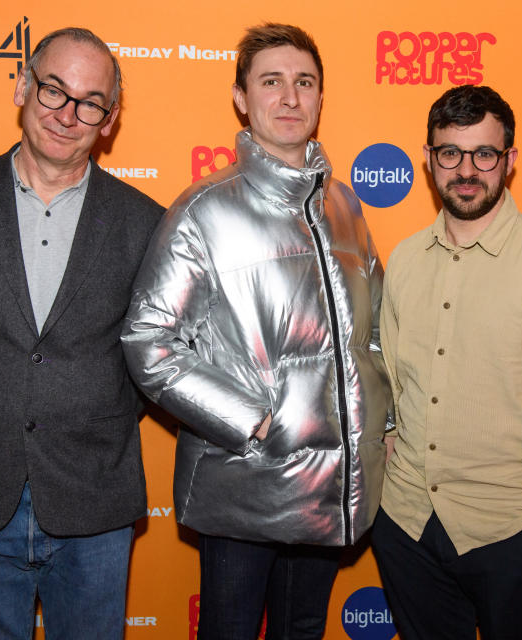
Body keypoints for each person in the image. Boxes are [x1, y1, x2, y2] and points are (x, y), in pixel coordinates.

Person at [120, 23, 391, 640]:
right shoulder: (203, 211)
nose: (290, 98)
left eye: (305, 83)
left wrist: (385, 422)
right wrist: (250, 421)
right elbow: (149, 342)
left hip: (329, 487)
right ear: (242, 97)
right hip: (244, 484)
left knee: (302, 631)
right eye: (272, 82)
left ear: (322, 97)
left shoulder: (346, 209)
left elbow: (372, 333)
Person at [0, 27, 163, 639]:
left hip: (94, 499)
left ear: (110, 119)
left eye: (90, 102)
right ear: (23, 86)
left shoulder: (146, 222)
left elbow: (155, 356)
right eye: (53, 91)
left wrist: (90, 413)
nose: (68, 115)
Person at [371, 85, 522, 640]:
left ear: (510, 161)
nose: (466, 169)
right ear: (428, 160)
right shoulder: (402, 261)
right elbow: (394, 389)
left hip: (507, 535)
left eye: (484, 154)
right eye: (450, 152)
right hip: (406, 524)